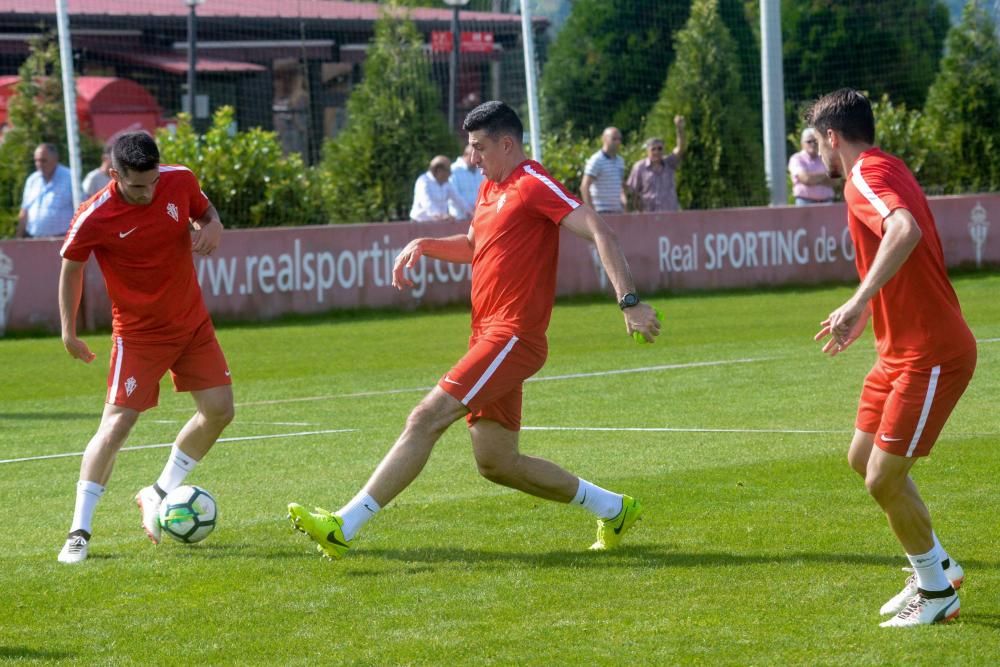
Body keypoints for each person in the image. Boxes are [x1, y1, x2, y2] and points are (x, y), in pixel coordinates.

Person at [288, 101, 660, 560]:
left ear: (507, 144)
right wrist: (424, 244)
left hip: (513, 336)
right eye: (470, 148)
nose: (473, 158)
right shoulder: (489, 188)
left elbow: (601, 231)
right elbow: (473, 245)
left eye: (480, 147)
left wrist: (629, 301)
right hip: (487, 336)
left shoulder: (531, 183)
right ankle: (615, 508)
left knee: (424, 417)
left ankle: (344, 525)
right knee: (496, 462)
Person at [809, 89, 975, 627]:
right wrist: (870, 311)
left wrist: (856, 300)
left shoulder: (863, 178)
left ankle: (935, 594)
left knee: (882, 477)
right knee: (862, 459)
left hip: (929, 353)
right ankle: (939, 568)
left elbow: (904, 229)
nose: (817, 156)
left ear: (833, 138)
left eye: (816, 144)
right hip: (897, 351)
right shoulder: (887, 166)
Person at [56, 131, 234, 564]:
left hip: (192, 324)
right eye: (137, 185)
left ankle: (157, 492)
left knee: (219, 411)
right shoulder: (93, 215)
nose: (149, 192)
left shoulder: (180, 180)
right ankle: (79, 531)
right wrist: (68, 330)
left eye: (153, 181)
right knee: (116, 427)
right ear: (113, 173)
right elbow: (71, 268)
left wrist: (213, 225)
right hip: (138, 336)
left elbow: (206, 212)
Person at [626, 116, 685, 213]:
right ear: (647, 151)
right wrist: (638, 211)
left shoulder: (669, 163)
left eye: (660, 149)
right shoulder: (639, 167)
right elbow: (632, 192)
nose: (657, 152)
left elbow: (680, 148)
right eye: (653, 149)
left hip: (670, 214)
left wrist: (680, 129)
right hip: (649, 216)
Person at [16, 143, 74, 238]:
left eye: (43, 161)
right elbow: (24, 211)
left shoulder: (70, 177)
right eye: (36, 161)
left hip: (61, 239)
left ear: (55, 160)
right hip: (34, 239)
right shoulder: (32, 180)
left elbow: (80, 208)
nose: (39, 164)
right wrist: (18, 239)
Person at [409, 155, 471, 223]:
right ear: (439, 170)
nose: (450, 174)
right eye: (448, 170)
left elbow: (458, 199)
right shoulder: (423, 182)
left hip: (438, 223)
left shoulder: (447, 184)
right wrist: (442, 216)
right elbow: (427, 203)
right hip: (419, 224)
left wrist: (471, 212)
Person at [580, 127, 626, 213]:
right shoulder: (596, 160)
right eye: (614, 139)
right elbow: (584, 186)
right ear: (604, 139)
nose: (618, 142)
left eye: (619, 139)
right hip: (600, 210)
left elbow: (620, 185)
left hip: (617, 210)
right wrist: (591, 211)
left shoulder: (620, 161)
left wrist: (624, 202)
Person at [789, 128, 837, 206]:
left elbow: (834, 181)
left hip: (827, 202)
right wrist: (825, 176)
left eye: (815, 141)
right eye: (809, 141)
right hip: (804, 202)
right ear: (802, 143)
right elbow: (806, 179)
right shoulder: (796, 159)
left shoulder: (825, 157)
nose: (813, 144)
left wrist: (813, 178)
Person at [449, 143, 484, 222]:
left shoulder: (481, 170)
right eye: (475, 156)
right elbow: (454, 195)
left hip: (479, 217)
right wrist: (470, 211)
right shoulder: (453, 170)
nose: (477, 159)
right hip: (459, 219)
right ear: (466, 155)